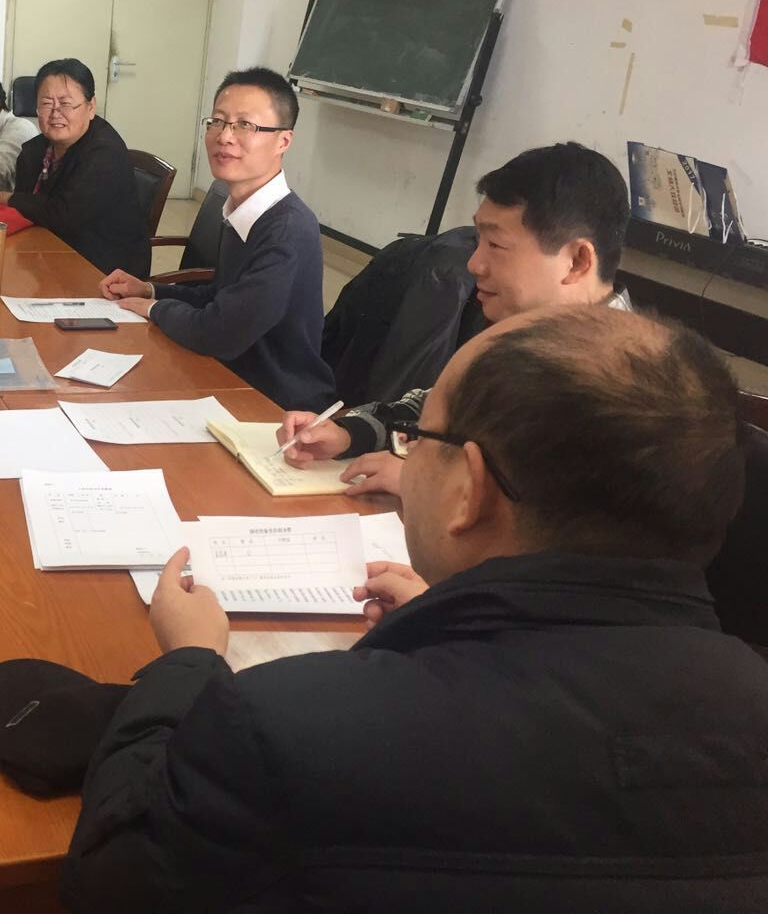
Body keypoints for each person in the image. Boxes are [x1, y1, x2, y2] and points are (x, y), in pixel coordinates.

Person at [61, 305, 768, 912]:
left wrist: (187, 661)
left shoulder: (286, 727)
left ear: (470, 490)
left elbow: (108, 878)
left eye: (417, 439)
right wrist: (452, 623)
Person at [280, 141, 632, 494]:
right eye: (478, 240)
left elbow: (558, 507)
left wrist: (433, 485)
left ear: (577, 261)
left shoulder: (626, 389)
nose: (474, 264)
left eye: (496, 245)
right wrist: (349, 433)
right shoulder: (525, 332)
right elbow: (441, 406)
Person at [100, 68, 335, 409]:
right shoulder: (242, 209)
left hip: (273, 403)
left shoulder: (287, 230)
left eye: (245, 125)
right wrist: (150, 290)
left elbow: (220, 332)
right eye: (218, 121)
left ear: (283, 141)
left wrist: (154, 309)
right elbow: (219, 297)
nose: (225, 136)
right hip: (227, 375)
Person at [10, 58, 149, 277]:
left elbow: (61, 216)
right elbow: (26, 208)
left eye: (66, 104)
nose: (55, 113)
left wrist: (7, 198)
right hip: (52, 254)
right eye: (46, 103)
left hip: (103, 271)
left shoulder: (105, 154)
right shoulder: (36, 150)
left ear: (90, 107)